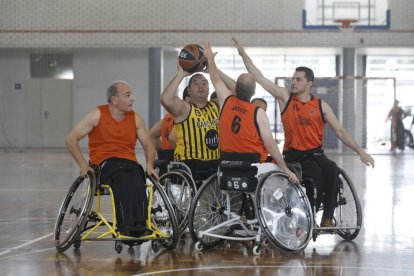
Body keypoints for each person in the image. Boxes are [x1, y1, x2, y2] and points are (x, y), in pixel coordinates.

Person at [232, 38, 375, 227]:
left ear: (309, 84)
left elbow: (340, 130)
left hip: (316, 153)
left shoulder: (320, 105)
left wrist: (360, 151)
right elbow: (258, 77)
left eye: (298, 79)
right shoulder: (285, 98)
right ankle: (310, 217)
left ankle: (327, 217)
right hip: (295, 156)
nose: (293, 82)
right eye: (292, 78)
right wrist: (243, 54)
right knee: (315, 174)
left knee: (331, 169)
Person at [65, 81, 157, 236]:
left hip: (129, 163)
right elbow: (71, 139)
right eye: (128, 95)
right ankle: (126, 226)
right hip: (104, 164)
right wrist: (82, 165)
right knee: (122, 175)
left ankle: (140, 224)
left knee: (137, 174)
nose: (132, 99)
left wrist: (149, 164)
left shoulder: (136, 119)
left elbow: (149, 145)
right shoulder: (97, 115)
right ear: (114, 99)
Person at [203, 41, 298, 183]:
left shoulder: (226, 101)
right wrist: (285, 168)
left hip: (227, 163)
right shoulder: (258, 112)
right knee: (292, 170)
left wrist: (210, 59)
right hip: (252, 166)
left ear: (235, 89)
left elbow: (215, 79)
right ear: (253, 92)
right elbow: (270, 145)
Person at [160, 61, 220, 183]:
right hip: (190, 165)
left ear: (209, 89)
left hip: (214, 165)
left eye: (204, 83)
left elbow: (237, 91)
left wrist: (213, 70)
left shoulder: (216, 105)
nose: (200, 86)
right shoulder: (185, 108)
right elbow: (165, 99)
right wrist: (181, 75)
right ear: (189, 90)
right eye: (196, 84)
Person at [149, 86, 190, 151]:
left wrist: (163, 151)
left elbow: (151, 135)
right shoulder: (185, 117)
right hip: (178, 157)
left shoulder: (168, 116)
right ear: (188, 99)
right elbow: (173, 138)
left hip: (166, 157)